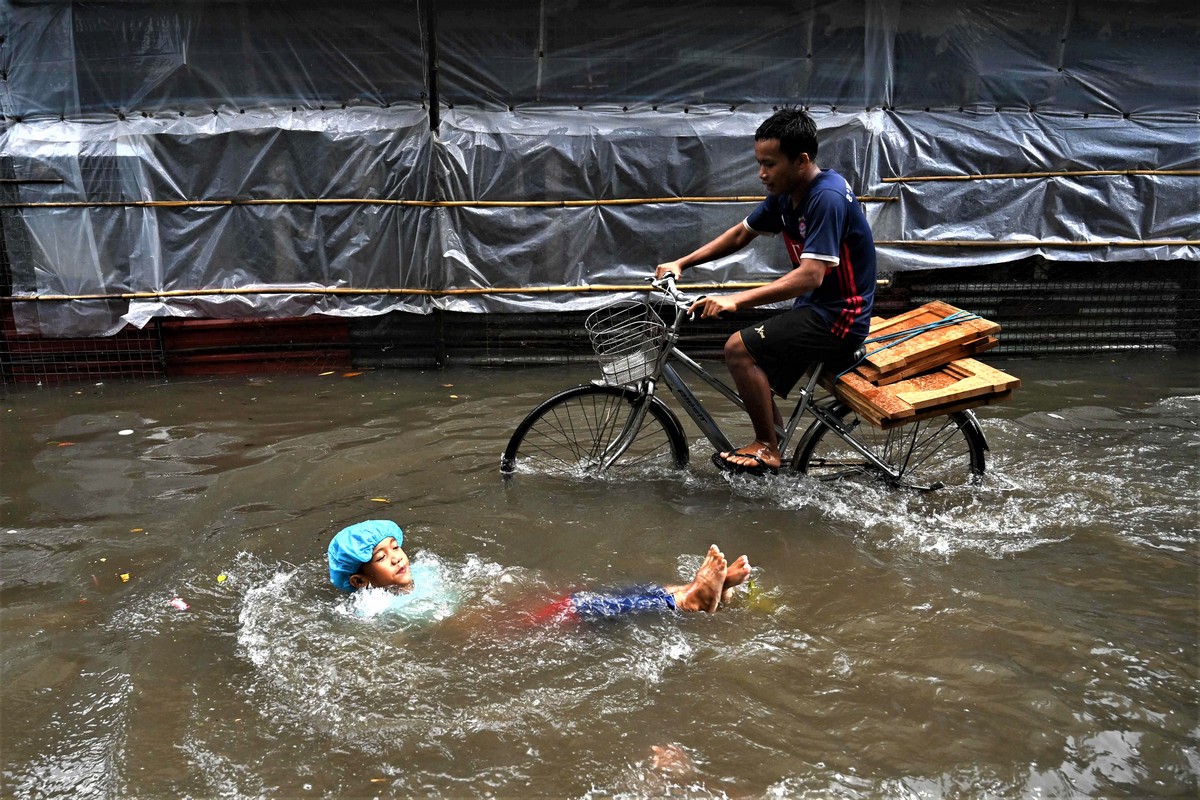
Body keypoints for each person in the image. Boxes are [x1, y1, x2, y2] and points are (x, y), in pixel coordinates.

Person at [655, 107, 877, 476]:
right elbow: (742, 234)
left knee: (737, 348)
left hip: (839, 316)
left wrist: (735, 299)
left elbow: (811, 276)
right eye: (759, 163)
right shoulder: (786, 195)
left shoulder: (827, 198)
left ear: (801, 160)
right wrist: (683, 262)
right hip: (815, 310)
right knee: (754, 368)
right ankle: (774, 454)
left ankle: (766, 448)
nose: (762, 174)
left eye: (769, 164)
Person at [327, 519, 751, 623]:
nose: (398, 557)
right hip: (496, 630)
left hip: (501, 612)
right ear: (360, 581)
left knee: (597, 594)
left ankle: (698, 592)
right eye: (382, 558)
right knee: (580, 606)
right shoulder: (374, 607)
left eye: (396, 547)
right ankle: (693, 598)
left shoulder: (424, 575)